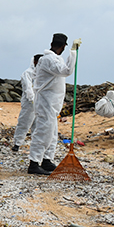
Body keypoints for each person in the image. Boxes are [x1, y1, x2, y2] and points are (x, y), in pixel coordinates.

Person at [28, 33, 81, 175]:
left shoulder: (56, 59)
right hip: (46, 102)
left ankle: (46, 160)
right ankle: (34, 163)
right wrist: (74, 52)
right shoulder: (48, 60)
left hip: (52, 103)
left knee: (51, 134)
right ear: (63, 46)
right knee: (43, 132)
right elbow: (67, 71)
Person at [12, 54, 42, 151]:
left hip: (39, 103)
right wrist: (33, 100)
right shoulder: (28, 73)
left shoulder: (41, 74)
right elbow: (28, 88)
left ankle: (36, 145)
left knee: (37, 125)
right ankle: (17, 143)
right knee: (24, 123)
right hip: (30, 103)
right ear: (35, 62)